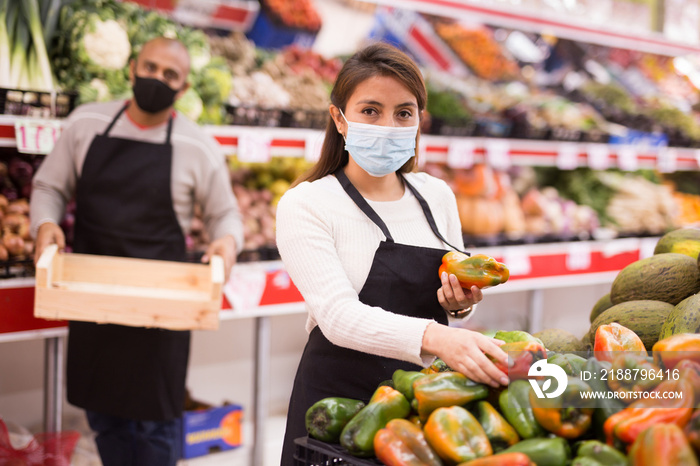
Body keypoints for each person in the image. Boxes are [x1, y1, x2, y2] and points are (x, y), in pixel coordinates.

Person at [276, 42, 511, 463]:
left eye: (403, 112)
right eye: (370, 110)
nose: (388, 124)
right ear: (339, 119)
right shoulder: (307, 204)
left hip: (419, 405)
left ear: (420, 120)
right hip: (334, 408)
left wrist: (459, 307)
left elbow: (454, 299)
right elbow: (337, 317)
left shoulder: (436, 194)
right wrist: (437, 337)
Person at [30, 37, 243, 466]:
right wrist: (46, 224)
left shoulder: (197, 146)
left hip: (163, 309)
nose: (156, 80)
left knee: (155, 430)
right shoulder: (85, 123)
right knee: (104, 421)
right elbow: (49, 186)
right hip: (92, 296)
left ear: (183, 89)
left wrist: (227, 243)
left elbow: (226, 216)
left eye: (170, 75)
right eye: (150, 68)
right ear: (130, 68)